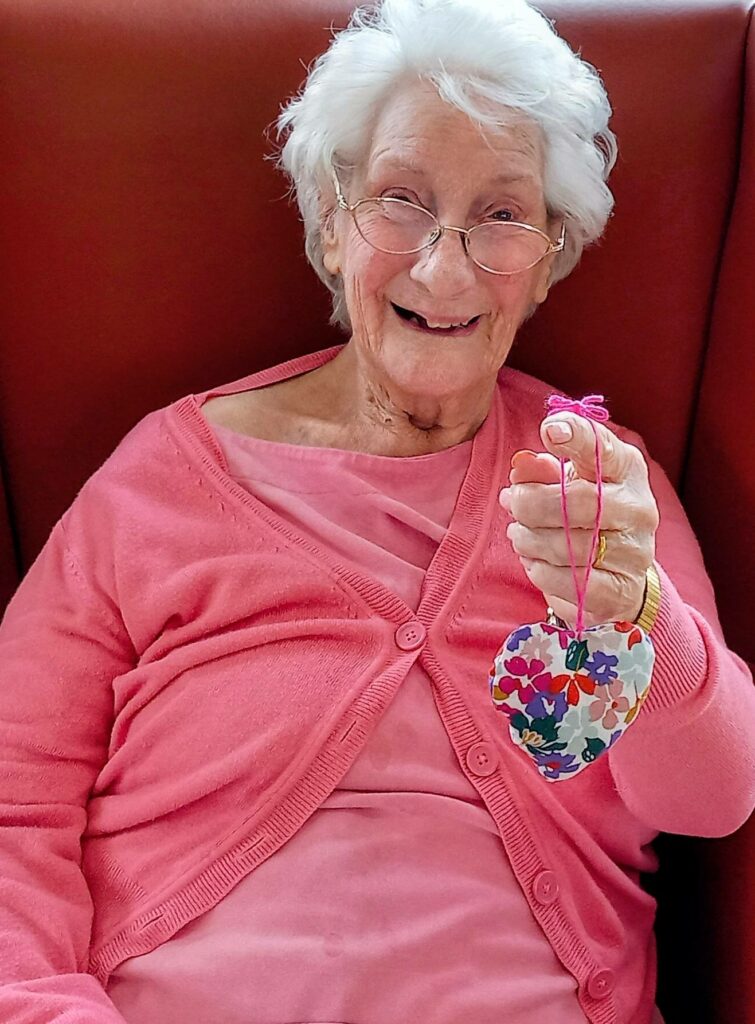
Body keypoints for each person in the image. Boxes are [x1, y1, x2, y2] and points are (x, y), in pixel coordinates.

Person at [0, 0, 753, 1021]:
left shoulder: (597, 487)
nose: (444, 268)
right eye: (399, 199)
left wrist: (638, 615)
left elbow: (711, 801)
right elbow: (13, 801)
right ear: (328, 223)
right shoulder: (158, 480)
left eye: (501, 214)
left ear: (548, 258)